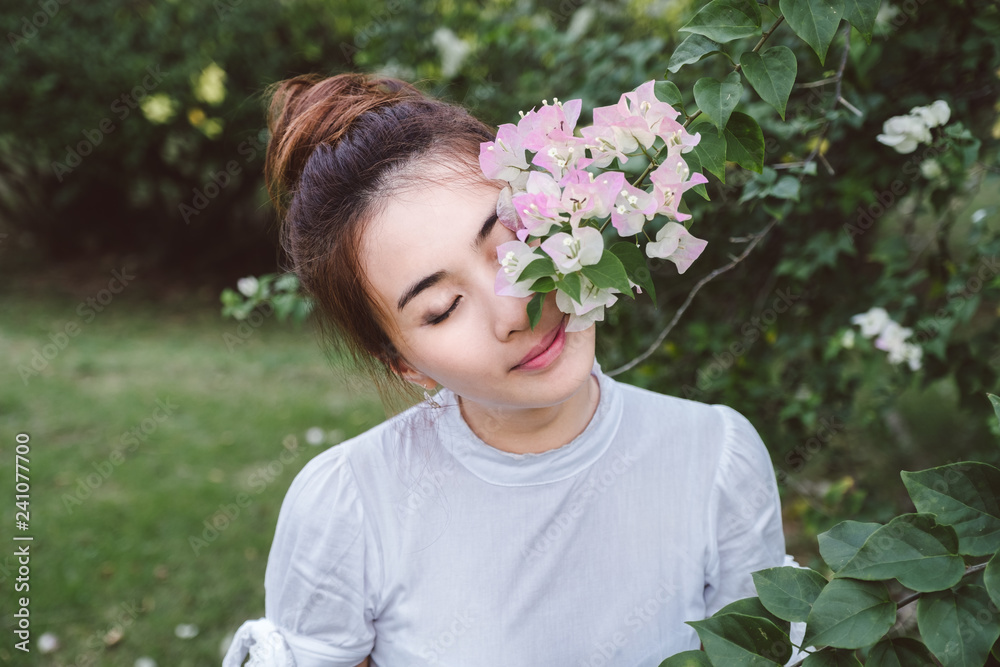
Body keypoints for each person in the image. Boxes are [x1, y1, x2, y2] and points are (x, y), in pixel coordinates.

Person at [223, 71, 803, 667]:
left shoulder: (715, 460)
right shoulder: (348, 506)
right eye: (443, 308)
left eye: (507, 245)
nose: (512, 310)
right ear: (403, 363)